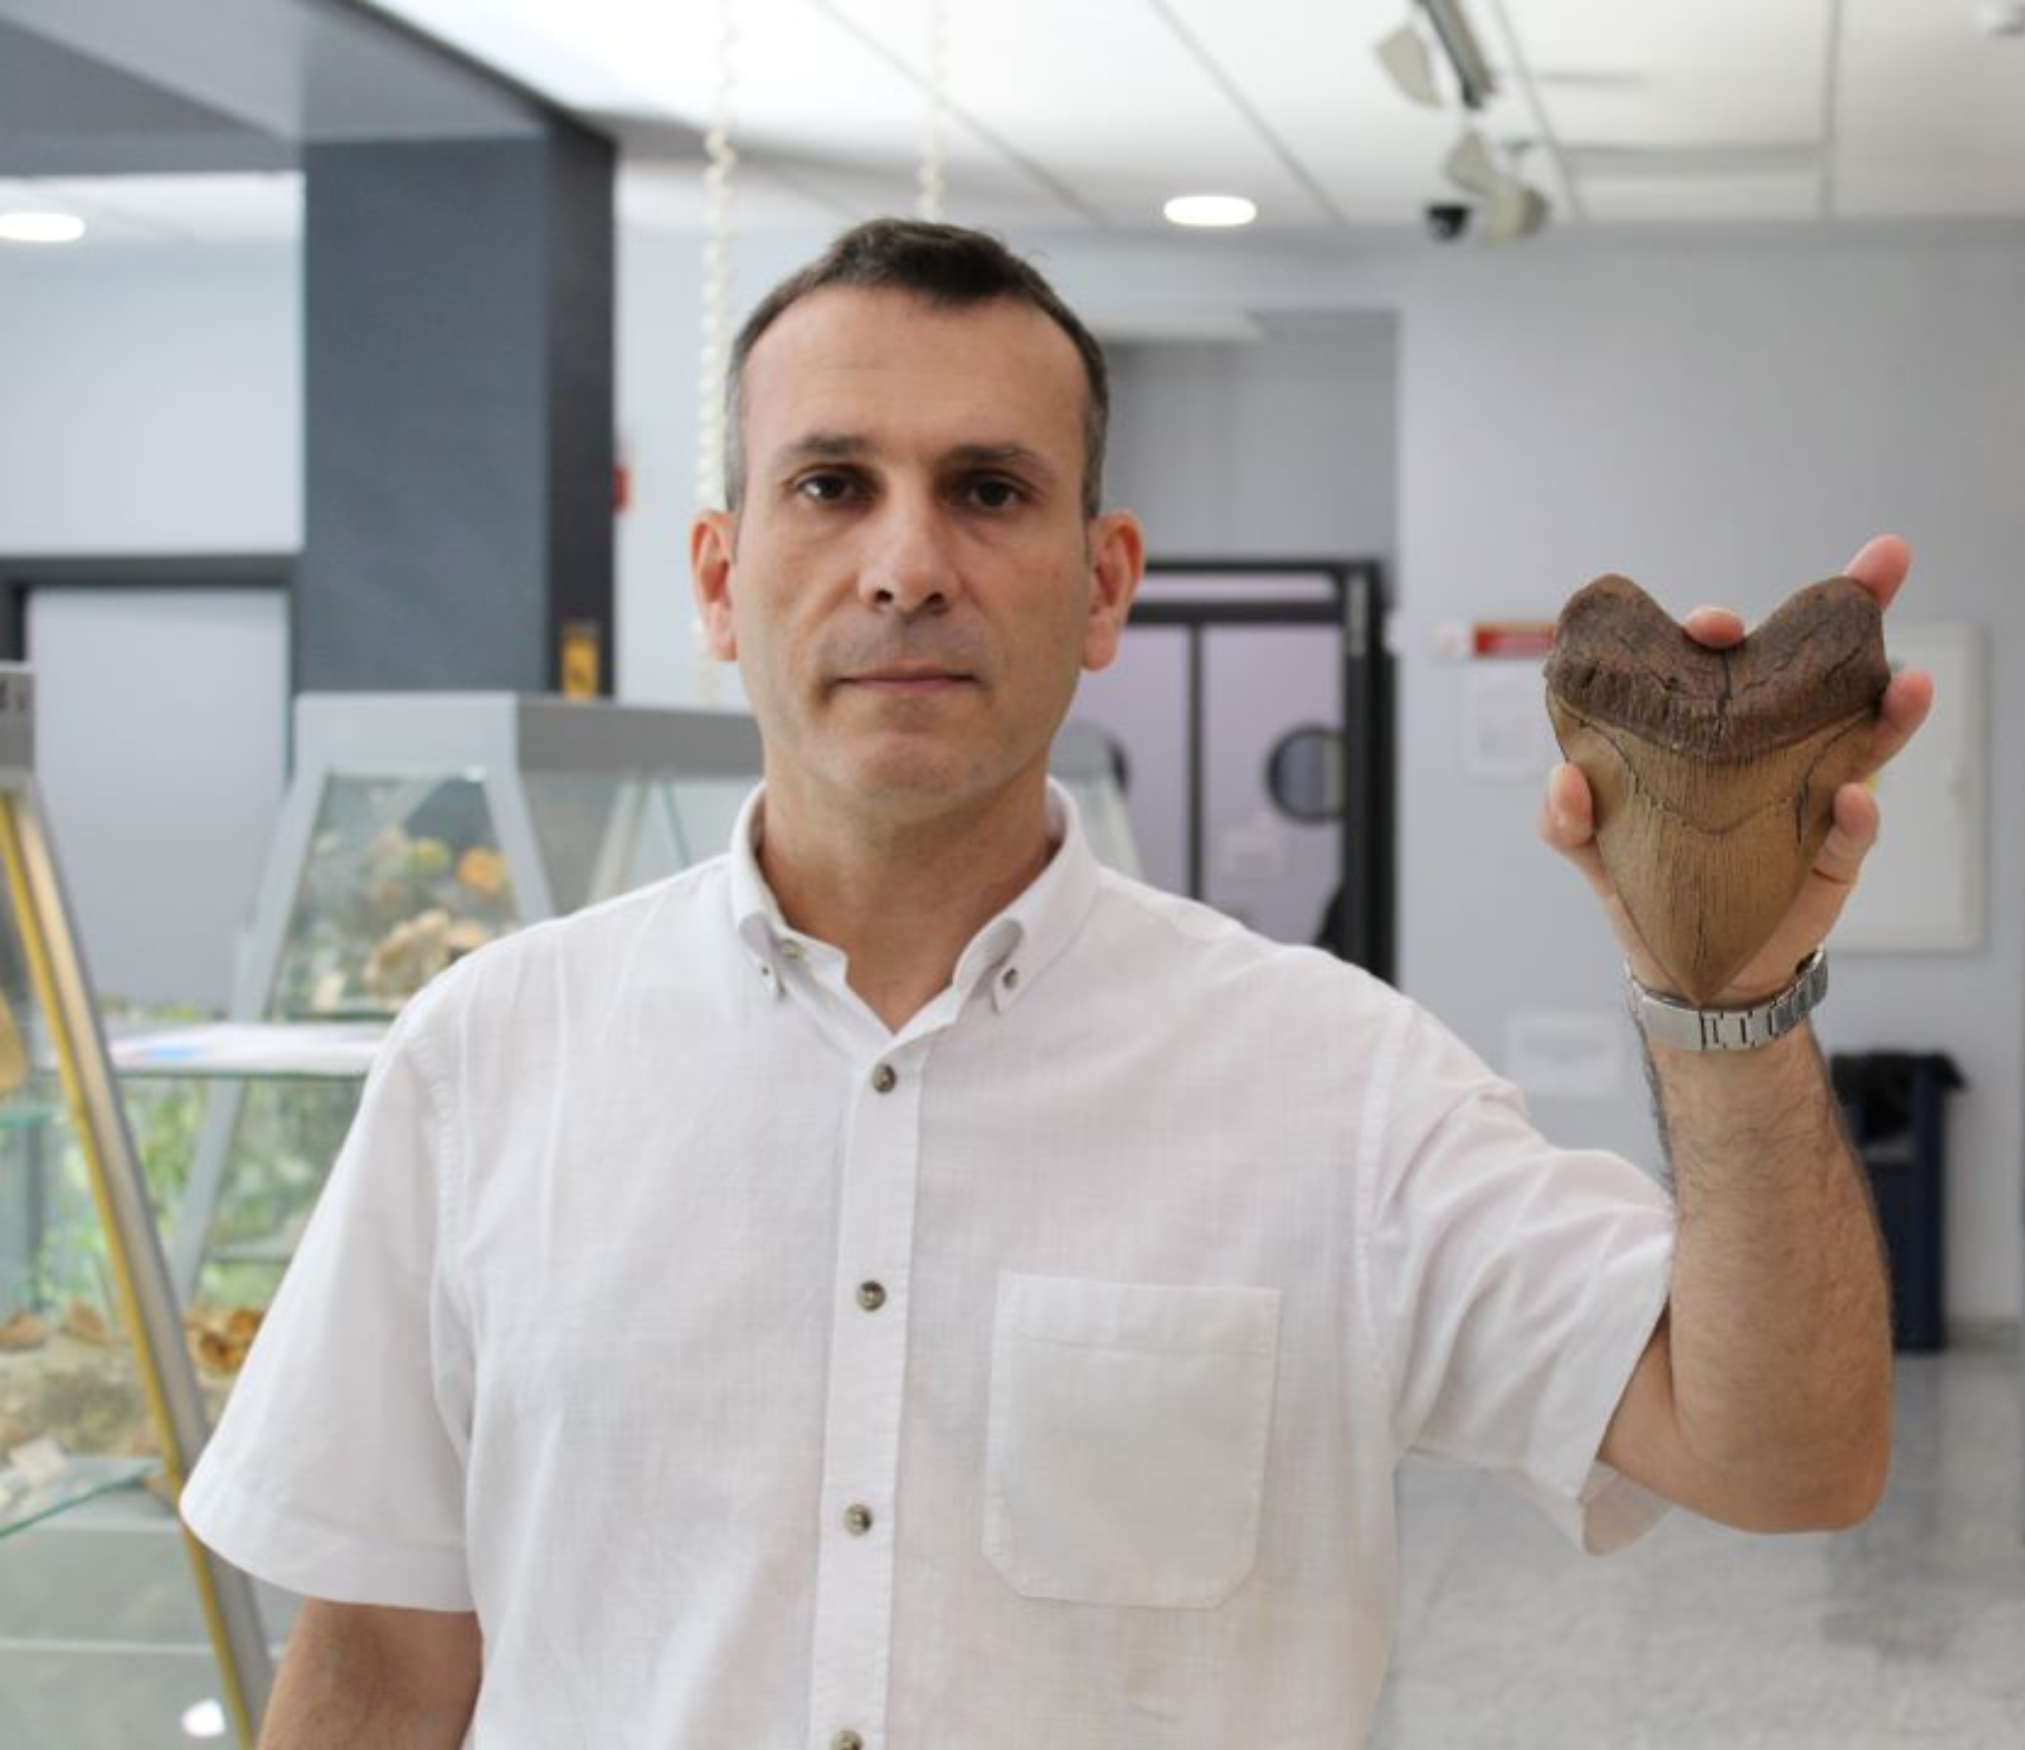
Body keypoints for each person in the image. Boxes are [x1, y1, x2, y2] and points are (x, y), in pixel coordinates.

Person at [181, 219, 1931, 1748]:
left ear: (1104, 587)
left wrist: (1732, 1001)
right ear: (720, 580)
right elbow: (386, 1666)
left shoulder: (1336, 1086)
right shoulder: (487, 1060)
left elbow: (1786, 1458)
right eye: (830, 483)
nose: (907, 560)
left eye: (990, 489)